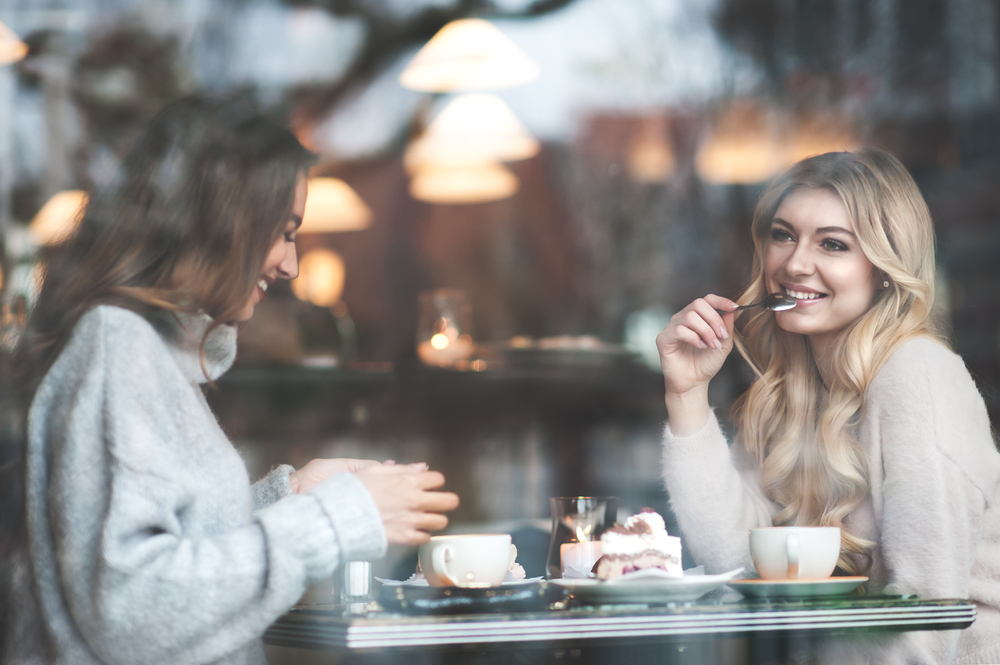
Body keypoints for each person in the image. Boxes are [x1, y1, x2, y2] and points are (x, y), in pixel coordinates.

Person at [2, 96, 459, 664]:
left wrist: (289, 497)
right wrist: (336, 520)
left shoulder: (146, 356)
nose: (291, 264)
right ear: (224, 223)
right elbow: (135, 611)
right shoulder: (117, 349)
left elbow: (172, 560)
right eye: (284, 232)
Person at [656, 148, 1000, 664]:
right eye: (783, 234)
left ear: (884, 269)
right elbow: (738, 565)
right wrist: (686, 396)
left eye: (833, 244)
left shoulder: (918, 374)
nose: (794, 263)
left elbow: (925, 630)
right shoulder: (790, 389)